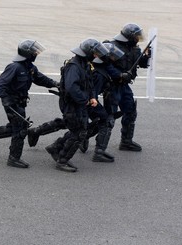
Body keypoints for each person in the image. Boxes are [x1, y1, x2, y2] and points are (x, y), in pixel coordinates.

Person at [0, 40, 59, 168]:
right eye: (34, 52)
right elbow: (1, 85)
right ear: (27, 53)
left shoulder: (30, 67)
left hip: (21, 102)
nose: (36, 54)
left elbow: (40, 78)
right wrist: (6, 101)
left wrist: (55, 83)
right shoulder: (14, 67)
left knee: (15, 127)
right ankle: (13, 158)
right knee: (20, 129)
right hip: (12, 103)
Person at [45, 38, 109, 172]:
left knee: (78, 130)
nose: (97, 56)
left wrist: (92, 97)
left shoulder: (85, 64)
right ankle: (62, 161)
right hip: (71, 104)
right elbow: (71, 87)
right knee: (79, 133)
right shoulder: (74, 66)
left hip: (79, 103)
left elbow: (90, 83)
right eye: (95, 53)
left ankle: (55, 147)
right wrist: (85, 99)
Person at [109, 23, 151, 151]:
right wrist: (119, 74)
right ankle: (96, 146)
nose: (138, 38)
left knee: (130, 111)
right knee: (108, 117)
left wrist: (148, 56)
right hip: (112, 86)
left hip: (124, 86)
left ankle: (126, 142)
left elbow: (142, 63)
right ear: (130, 36)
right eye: (137, 36)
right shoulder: (113, 47)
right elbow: (106, 66)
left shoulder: (134, 49)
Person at [84, 42, 125, 162]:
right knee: (106, 121)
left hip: (85, 101)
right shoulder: (99, 74)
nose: (113, 58)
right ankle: (98, 153)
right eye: (111, 56)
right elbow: (92, 94)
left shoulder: (100, 68)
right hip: (87, 102)